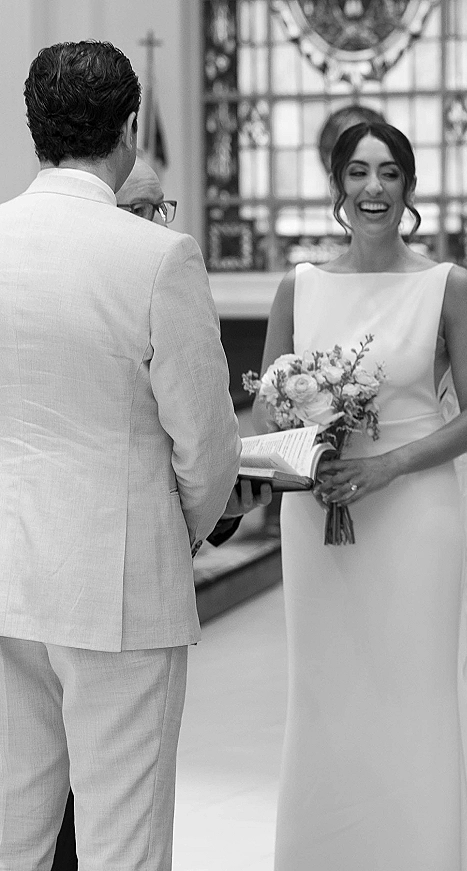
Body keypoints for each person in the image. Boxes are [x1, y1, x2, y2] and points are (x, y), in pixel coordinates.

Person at [254, 121, 467, 870]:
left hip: (417, 516)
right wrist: (302, 429)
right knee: (325, 691)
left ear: (409, 187)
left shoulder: (449, 286)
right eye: (358, 172)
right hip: (318, 514)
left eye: (388, 172)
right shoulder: (299, 286)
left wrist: (390, 465)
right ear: (337, 187)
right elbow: (265, 403)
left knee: (414, 695)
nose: (373, 187)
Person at [0, 41, 241, 870]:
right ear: (131, 127)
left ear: (34, 126)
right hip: (121, 587)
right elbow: (207, 445)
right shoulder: (157, 255)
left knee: (13, 836)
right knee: (122, 845)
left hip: (7, 577)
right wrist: (184, 531)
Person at [49, 153, 271, 871]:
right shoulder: (92, 288)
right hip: (87, 587)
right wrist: (205, 506)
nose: (151, 224)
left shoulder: (153, 284)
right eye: (134, 210)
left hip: (96, 574)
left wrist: (224, 511)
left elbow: (192, 442)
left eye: (157, 209)